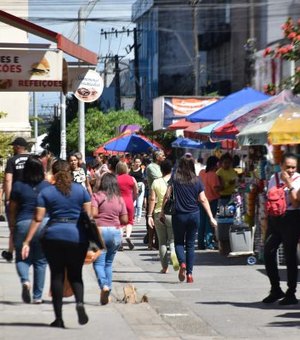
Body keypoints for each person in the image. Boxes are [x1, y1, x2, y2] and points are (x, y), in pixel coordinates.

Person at [22, 160, 91, 328]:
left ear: (53, 172)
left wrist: (27, 241)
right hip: (77, 236)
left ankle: (58, 319)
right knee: (75, 275)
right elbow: (89, 216)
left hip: (53, 236)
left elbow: (38, 218)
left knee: (57, 276)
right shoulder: (81, 190)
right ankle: (80, 303)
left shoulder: (47, 192)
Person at [160, 154, 217, 283]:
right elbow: (202, 199)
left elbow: (167, 195)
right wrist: (211, 217)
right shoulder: (197, 180)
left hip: (178, 215)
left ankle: (182, 264)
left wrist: (162, 211)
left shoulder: (174, 179)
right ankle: (190, 274)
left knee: (179, 242)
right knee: (190, 244)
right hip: (194, 215)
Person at [9, 156, 51, 304]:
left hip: (23, 222)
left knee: (21, 258)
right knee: (41, 261)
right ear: (41, 169)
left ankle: (25, 281)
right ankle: (38, 297)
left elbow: (12, 208)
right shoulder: (47, 187)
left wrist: (13, 225)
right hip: (43, 224)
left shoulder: (18, 186)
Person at [263, 153, 300, 305]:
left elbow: (296, 203)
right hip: (275, 220)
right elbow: (269, 198)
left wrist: (289, 183)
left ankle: (291, 292)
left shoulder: (298, 180)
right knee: (268, 251)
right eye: (288, 167)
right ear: (281, 165)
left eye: (294, 167)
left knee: (290, 256)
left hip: (292, 218)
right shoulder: (274, 178)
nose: (291, 170)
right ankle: (275, 289)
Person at [91, 172, 128, 304]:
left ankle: (104, 286)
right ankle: (109, 291)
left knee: (98, 263)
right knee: (108, 264)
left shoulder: (97, 196)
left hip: (100, 231)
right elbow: (125, 219)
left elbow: (93, 214)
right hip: (115, 232)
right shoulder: (119, 199)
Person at [148, 159, 179, 273]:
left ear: (161, 170)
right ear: (171, 169)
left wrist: (149, 215)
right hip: (172, 213)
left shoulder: (156, 182)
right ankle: (175, 258)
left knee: (162, 242)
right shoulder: (175, 181)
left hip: (158, 213)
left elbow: (152, 199)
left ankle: (164, 267)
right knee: (172, 240)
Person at [2, 137, 30, 262]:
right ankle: (29, 248)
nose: (12, 148)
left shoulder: (12, 160)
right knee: (30, 222)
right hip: (30, 197)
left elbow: (8, 180)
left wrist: (8, 198)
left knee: (13, 226)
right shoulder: (34, 159)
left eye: (14, 146)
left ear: (18, 147)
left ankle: (10, 252)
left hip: (16, 197)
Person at [198, 156, 220, 250]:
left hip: (200, 200)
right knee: (210, 222)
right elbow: (216, 188)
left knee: (201, 222)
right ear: (214, 165)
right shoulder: (213, 175)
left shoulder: (201, 173)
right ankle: (209, 243)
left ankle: (200, 243)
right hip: (212, 201)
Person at [116, 161, 138, 250]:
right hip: (129, 202)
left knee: (120, 223)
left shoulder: (115, 179)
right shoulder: (132, 178)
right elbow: (136, 191)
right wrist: (133, 199)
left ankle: (120, 242)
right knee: (129, 221)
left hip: (118, 202)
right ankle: (128, 236)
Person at [145, 150, 165, 249]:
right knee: (152, 219)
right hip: (154, 196)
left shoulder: (161, 166)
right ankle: (150, 242)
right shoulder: (151, 167)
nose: (164, 157)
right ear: (157, 157)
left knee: (160, 220)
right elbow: (160, 177)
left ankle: (158, 242)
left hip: (162, 195)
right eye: (162, 155)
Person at [129, 157, 146, 223]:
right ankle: (133, 216)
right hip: (132, 187)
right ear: (134, 163)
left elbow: (145, 177)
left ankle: (138, 217)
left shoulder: (142, 169)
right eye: (136, 162)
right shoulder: (131, 170)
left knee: (139, 203)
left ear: (140, 163)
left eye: (139, 162)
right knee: (133, 203)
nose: (137, 163)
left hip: (140, 186)